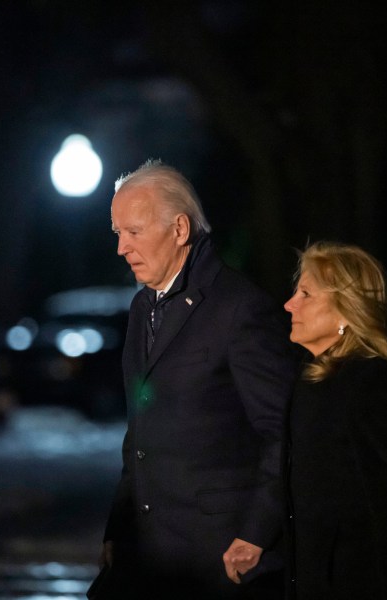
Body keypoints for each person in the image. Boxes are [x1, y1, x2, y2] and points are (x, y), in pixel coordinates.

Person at [95, 159, 299, 599]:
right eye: (117, 234)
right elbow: (140, 434)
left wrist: (257, 535)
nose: (121, 248)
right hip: (149, 560)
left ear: (180, 229)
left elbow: (282, 430)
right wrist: (119, 529)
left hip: (218, 564)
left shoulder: (238, 309)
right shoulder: (140, 308)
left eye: (133, 232)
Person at [281, 241, 387, 599]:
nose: (289, 304)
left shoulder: (369, 382)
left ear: (346, 312)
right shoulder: (310, 378)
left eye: (306, 294)